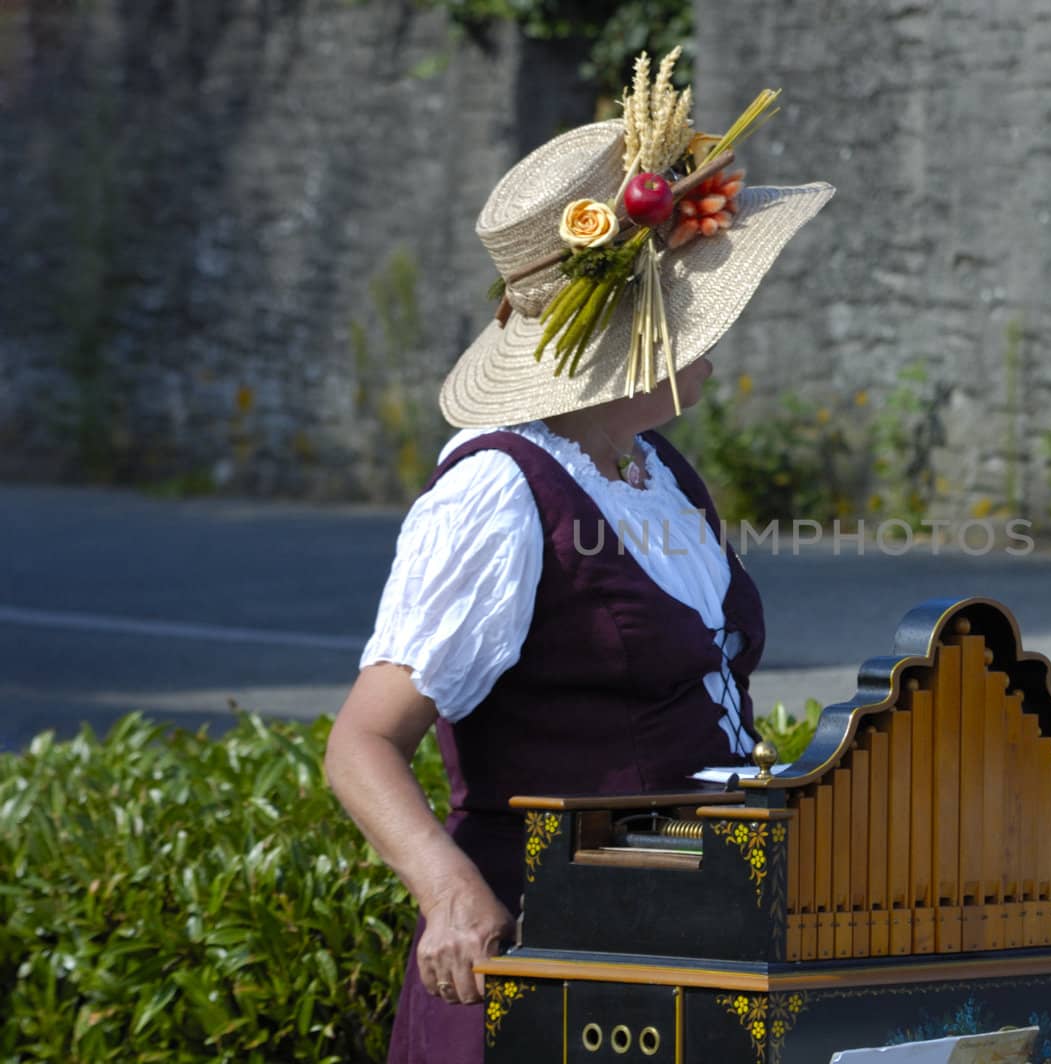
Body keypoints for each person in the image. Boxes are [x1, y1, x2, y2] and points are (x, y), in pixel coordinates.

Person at [323, 63, 833, 1064]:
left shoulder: (653, 467)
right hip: (541, 964)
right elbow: (361, 743)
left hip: (677, 944)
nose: (722, 325)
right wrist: (446, 887)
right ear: (633, 333)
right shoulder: (496, 494)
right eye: (697, 303)